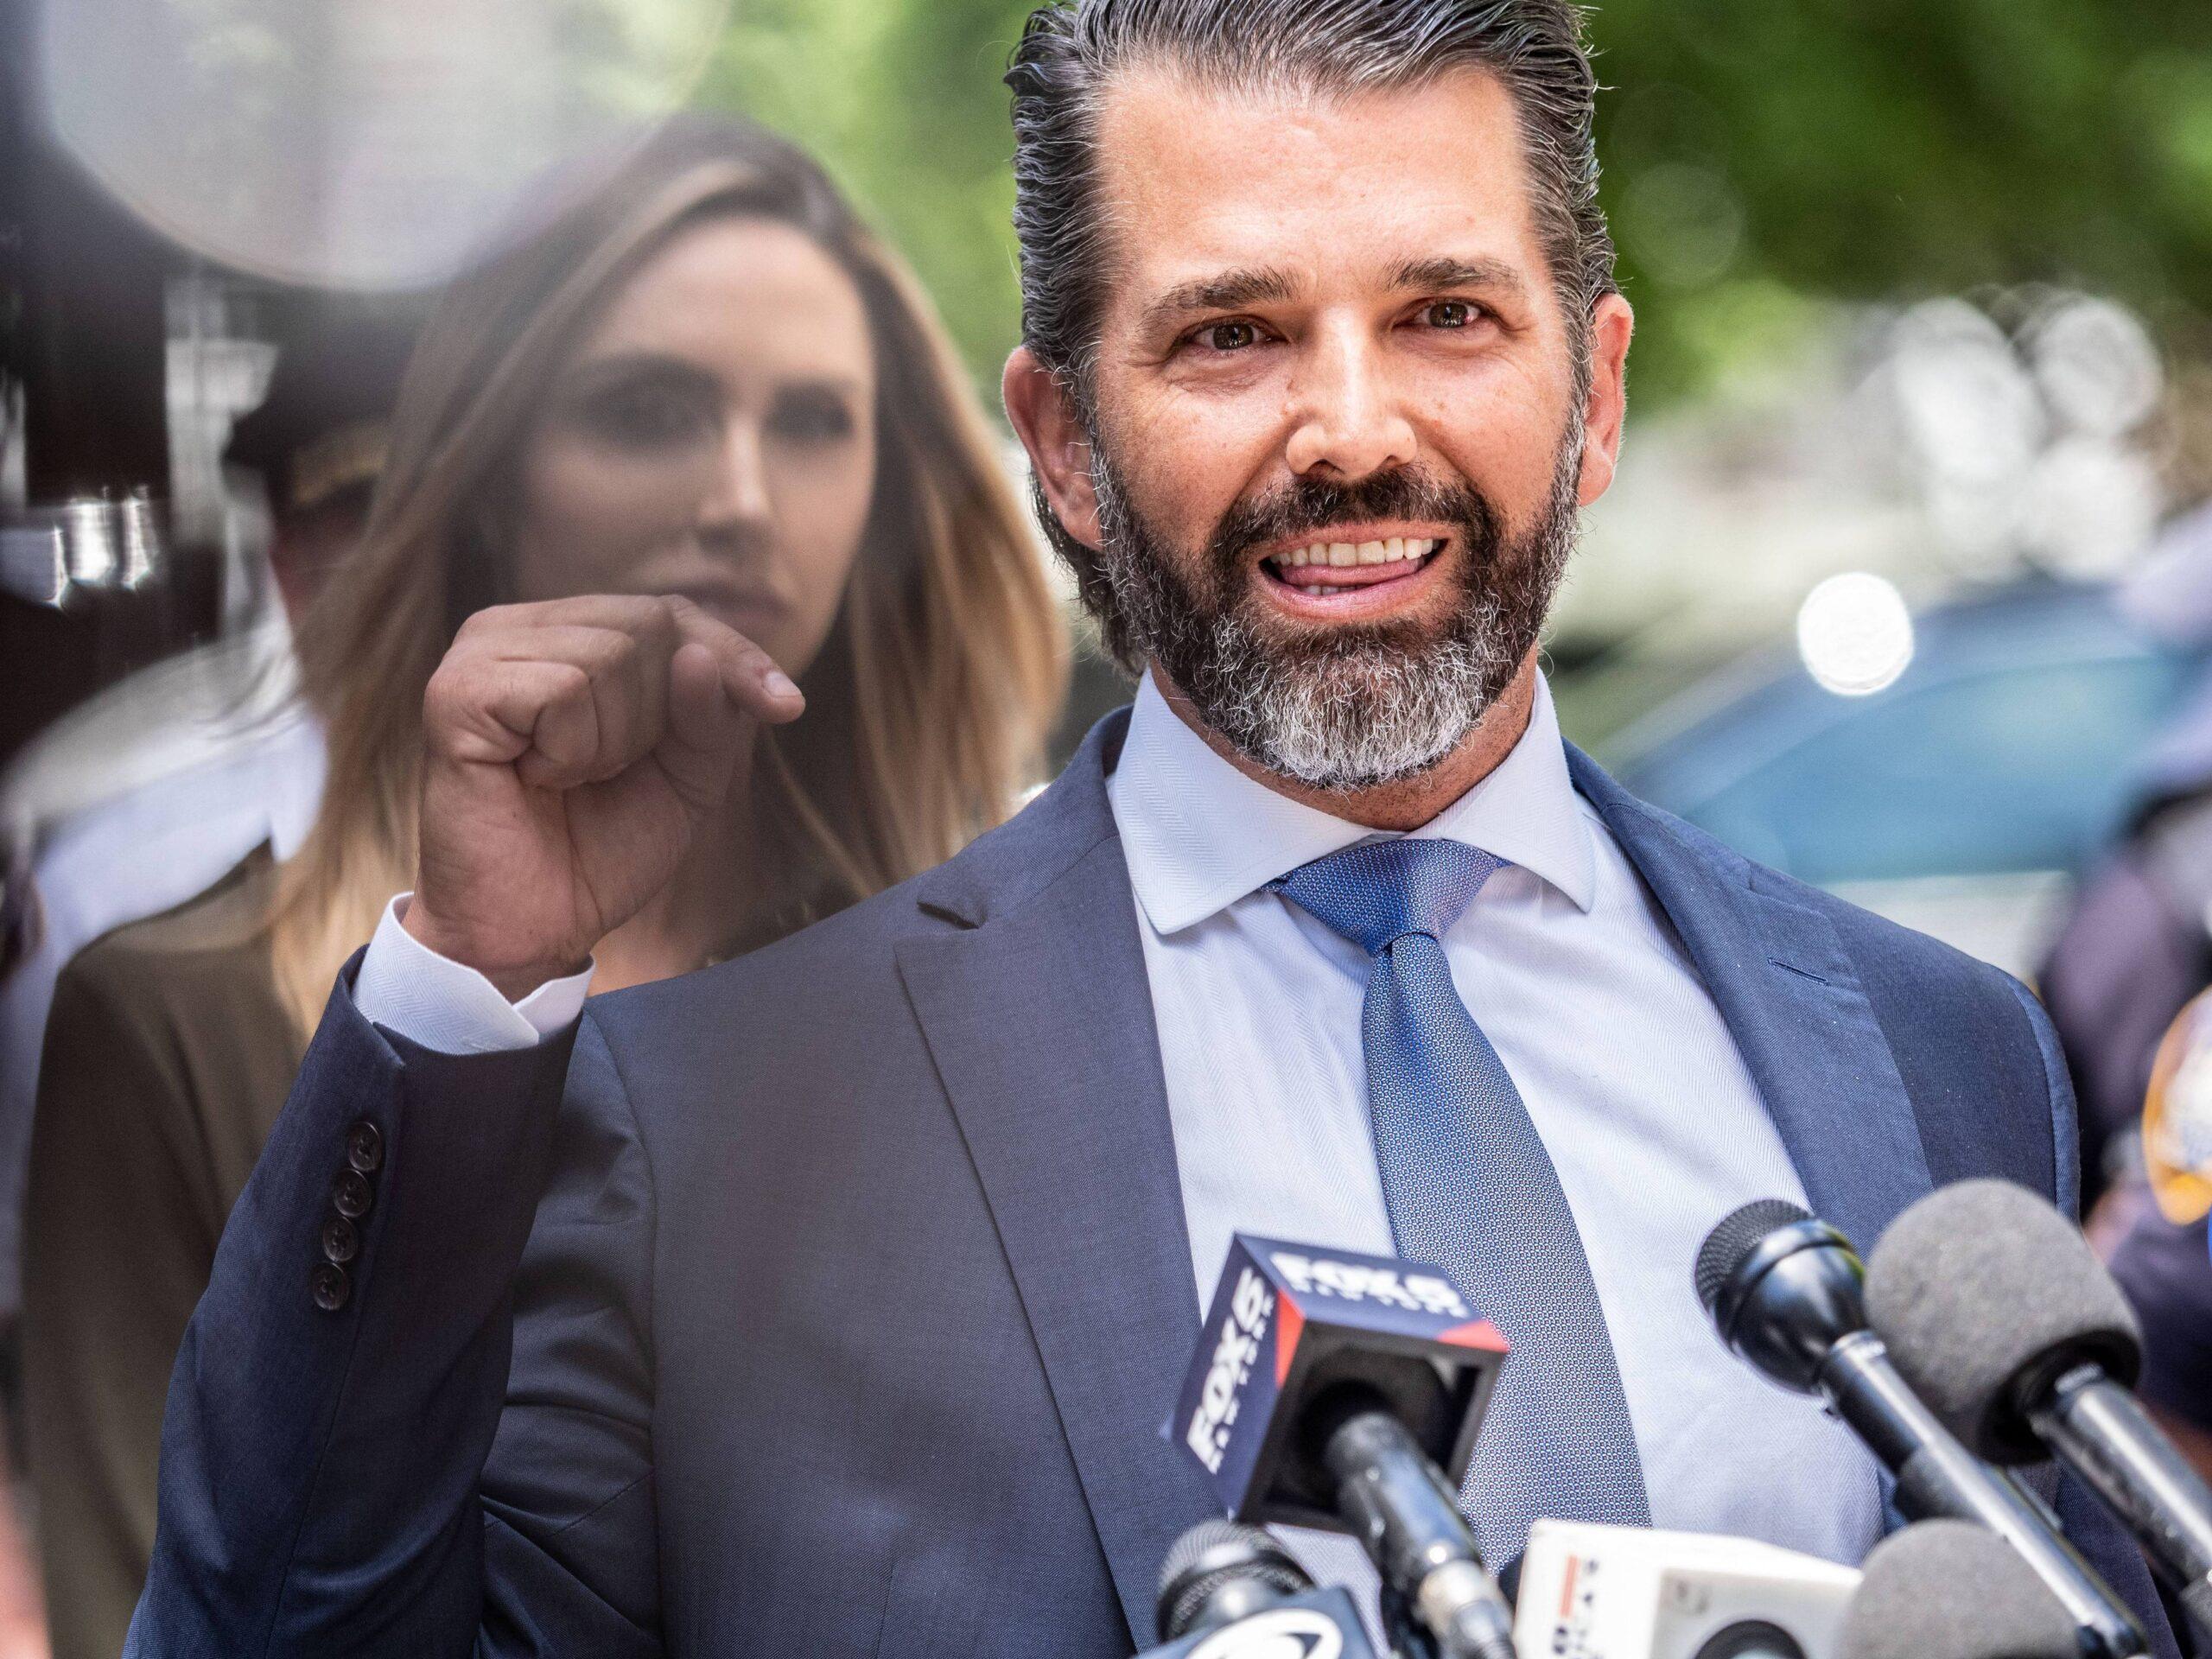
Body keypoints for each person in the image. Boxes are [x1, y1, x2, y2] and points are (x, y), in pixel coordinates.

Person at [129, 6, 2176, 1656]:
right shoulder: (724, 1130)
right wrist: (469, 991)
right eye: (1230, 334)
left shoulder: (1942, 1055)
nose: (1352, 427)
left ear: (1596, 392)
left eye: (1449, 314)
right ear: (1061, 448)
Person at [29, 116, 1064, 1659]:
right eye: (649, 410)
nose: (739, 496)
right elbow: (176, 1609)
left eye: (811, 422)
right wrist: (458, 998)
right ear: (488, 473)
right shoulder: (182, 1016)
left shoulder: (993, 998)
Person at [0, 309, 415, 1344]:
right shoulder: (133, 883)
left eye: (458, 514)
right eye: (365, 517)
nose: (415, 565)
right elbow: (48, 1302)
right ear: (285, 557)